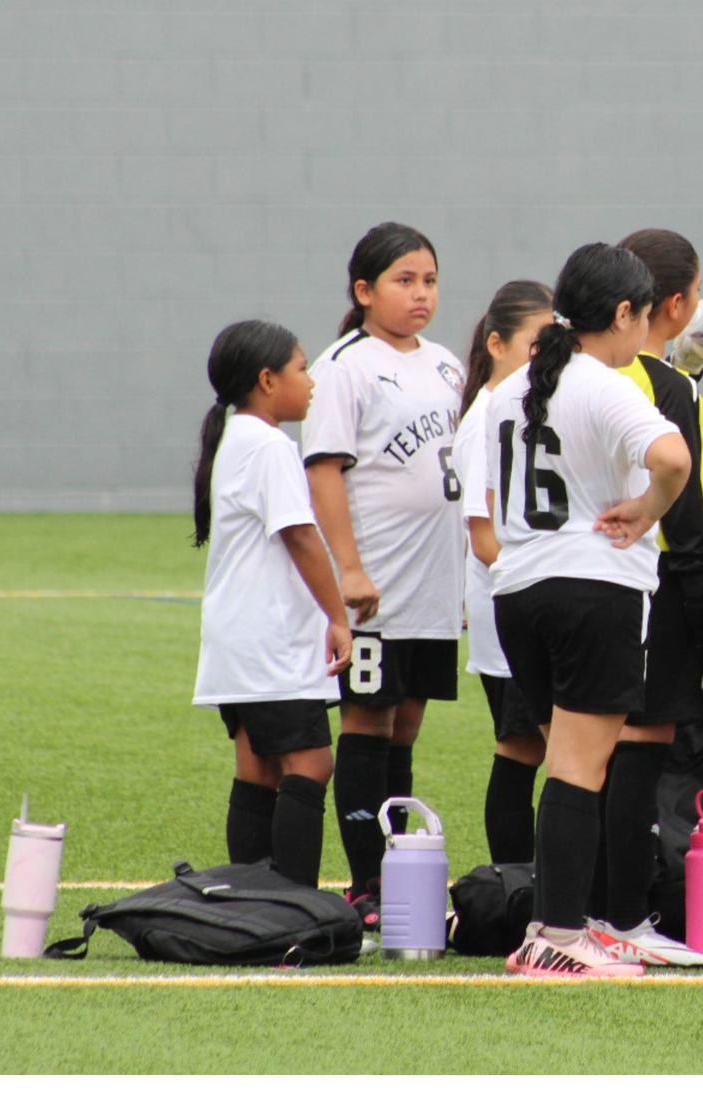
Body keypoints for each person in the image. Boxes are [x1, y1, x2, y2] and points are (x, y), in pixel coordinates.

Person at [477, 242, 692, 979]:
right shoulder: (606, 384)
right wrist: (647, 509)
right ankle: (561, 936)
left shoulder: (508, 389)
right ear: (624, 312)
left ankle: (552, 926)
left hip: (518, 593)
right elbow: (673, 460)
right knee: (579, 770)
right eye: (643, 315)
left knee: (564, 767)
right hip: (591, 589)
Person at [576, 224, 703, 969]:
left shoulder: (581, 377)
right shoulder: (666, 389)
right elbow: (681, 514)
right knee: (640, 751)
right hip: (659, 579)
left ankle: (577, 915)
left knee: (586, 757)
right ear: (672, 305)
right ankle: (623, 917)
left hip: (588, 576)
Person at [302, 222, 466, 921]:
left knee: (406, 725)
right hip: (378, 584)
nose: (421, 293)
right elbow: (324, 472)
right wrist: (349, 569)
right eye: (404, 281)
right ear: (364, 291)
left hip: (434, 582)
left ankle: (399, 872)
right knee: (368, 722)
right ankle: (367, 881)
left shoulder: (447, 365)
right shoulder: (346, 366)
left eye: (429, 280)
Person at [191, 321, 352, 887]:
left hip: (237, 637)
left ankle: (251, 905)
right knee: (311, 765)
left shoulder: (236, 437)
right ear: (266, 380)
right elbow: (300, 536)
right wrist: (337, 617)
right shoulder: (269, 445)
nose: (311, 382)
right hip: (270, 639)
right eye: (301, 369)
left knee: (257, 770)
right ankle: (291, 906)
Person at [455, 281, 553, 870]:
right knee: (521, 750)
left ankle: (532, 882)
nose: (546, 358)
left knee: (541, 750)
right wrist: (551, 575)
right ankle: (517, 886)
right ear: (496, 344)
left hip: (527, 605)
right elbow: (483, 537)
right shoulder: (488, 417)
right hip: (513, 612)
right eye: (534, 345)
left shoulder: (517, 409)